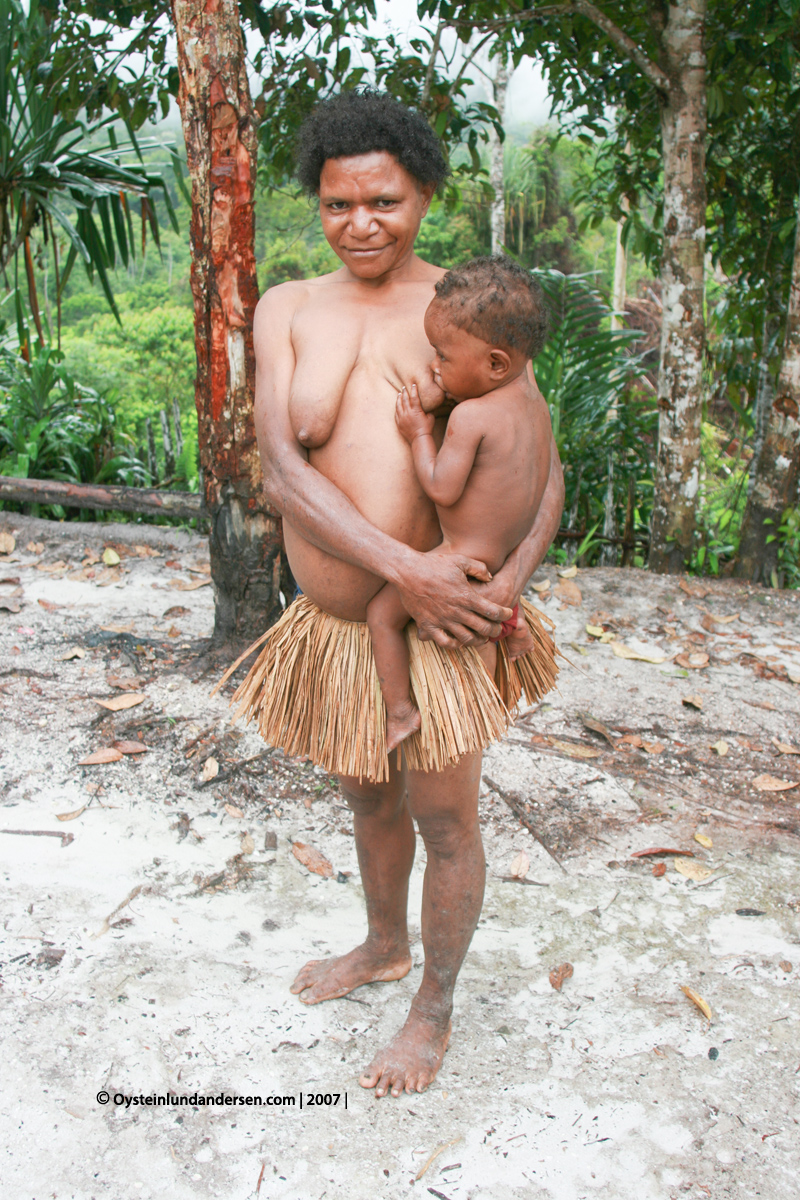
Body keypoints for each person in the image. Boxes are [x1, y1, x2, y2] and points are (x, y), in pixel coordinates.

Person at [232, 91, 563, 1099]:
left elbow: (540, 468)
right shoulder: (286, 308)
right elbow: (282, 474)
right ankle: (380, 944)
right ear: (317, 207)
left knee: (444, 817)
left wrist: (498, 583)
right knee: (365, 791)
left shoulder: (463, 314)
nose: (360, 223)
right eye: (337, 205)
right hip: (335, 627)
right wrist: (399, 565)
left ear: (424, 193)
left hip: (437, 633)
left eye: (383, 200)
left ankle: (432, 1009)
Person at [366, 255, 552, 753]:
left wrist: (418, 433)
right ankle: (512, 628)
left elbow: (441, 487)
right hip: (497, 558)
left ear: (495, 364)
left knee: (382, 617)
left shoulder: (473, 417)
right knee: (491, 591)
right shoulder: (535, 407)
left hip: (458, 560)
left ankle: (401, 712)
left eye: (443, 356)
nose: (433, 365)